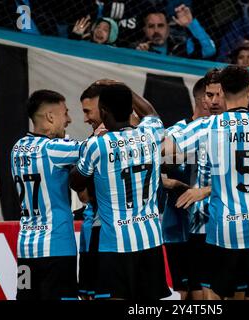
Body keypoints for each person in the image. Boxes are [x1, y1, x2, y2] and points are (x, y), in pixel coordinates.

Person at [165, 65, 249, 300]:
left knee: (213, 299)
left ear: (223, 91)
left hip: (224, 231)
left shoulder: (208, 126)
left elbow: (166, 151)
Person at [69, 83, 171, 300]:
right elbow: (151, 113)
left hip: (115, 244)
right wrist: (123, 87)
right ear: (130, 109)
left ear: (103, 111)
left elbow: (76, 183)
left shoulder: (98, 145)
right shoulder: (152, 133)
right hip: (150, 241)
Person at [11, 90, 81, 300]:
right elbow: (96, 150)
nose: (68, 119)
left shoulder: (17, 148)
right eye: (65, 113)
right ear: (51, 117)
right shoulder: (53, 149)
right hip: (57, 250)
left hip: (26, 251)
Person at [161, 77, 211, 300]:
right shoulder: (177, 133)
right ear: (203, 99)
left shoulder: (219, 133)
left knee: (205, 290)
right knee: (184, 292)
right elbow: (159, 174)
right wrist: (177, 185)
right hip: (178, 227)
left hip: (209, 228)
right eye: (213, 95)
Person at [135, 5, 216, 59]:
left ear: (168, 28)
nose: (156, 30)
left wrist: (190, 24)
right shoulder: (138, 48)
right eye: (151, 26)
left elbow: (209, 50)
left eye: (160, 25)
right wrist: (139, 56)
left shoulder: (181, 46)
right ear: (144, 30)